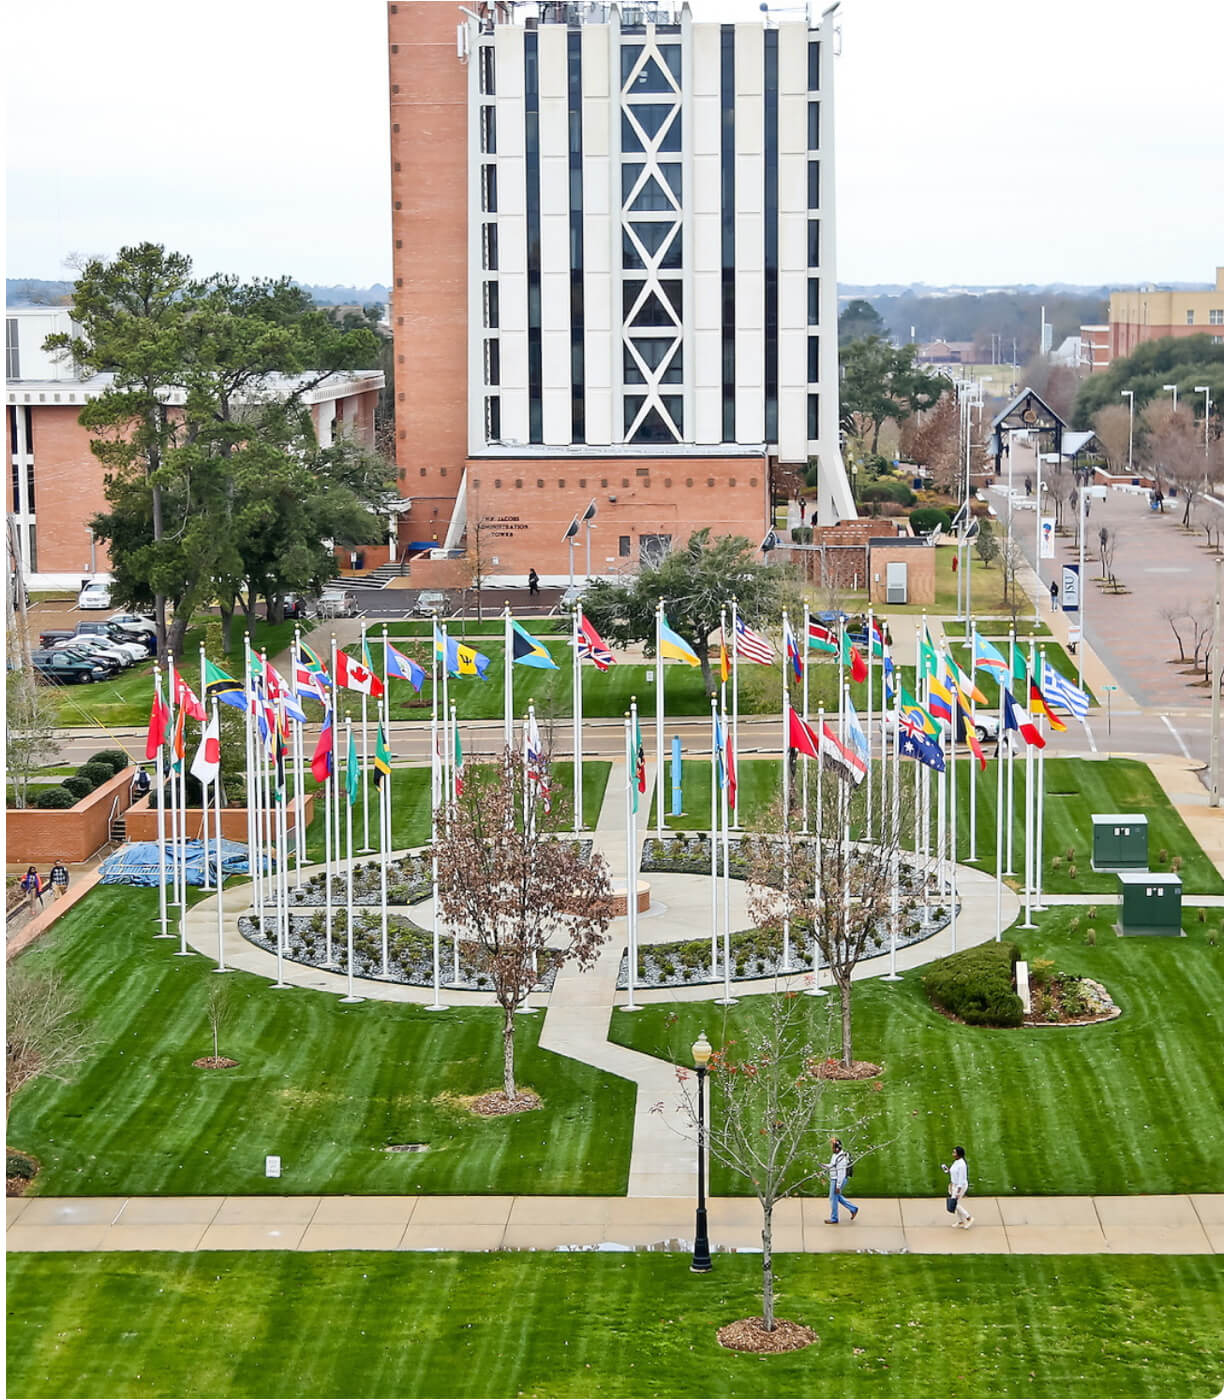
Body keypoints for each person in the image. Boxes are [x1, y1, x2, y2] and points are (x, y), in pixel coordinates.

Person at [824, 1137, 858, 1224]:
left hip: (837, 1180)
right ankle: (853, 1209)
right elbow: (832, 1165)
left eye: (832, 1147)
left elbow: (841, 1174)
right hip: (834, 1179)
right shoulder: (835, 1155)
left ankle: (834, 1218)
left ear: (836, 1148)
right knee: (836, 1197)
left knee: (833, 1198)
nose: (831, 1148)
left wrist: (838, 1186)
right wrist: (824, 1166)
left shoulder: (841, 1159)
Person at [942, 1146, 973, 1228]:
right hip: (954, 1185)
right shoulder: (956, 1162)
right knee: (955, 1204)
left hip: (960, 1186)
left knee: (954, 1204)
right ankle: (961, 1221)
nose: (953, 1154)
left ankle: (969, 1218)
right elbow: (954, 1172)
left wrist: (958, 1192)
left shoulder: (962, 1165)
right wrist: (948, 1170)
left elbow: (961, 1179)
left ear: (959, 1154)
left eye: (954, 1152)